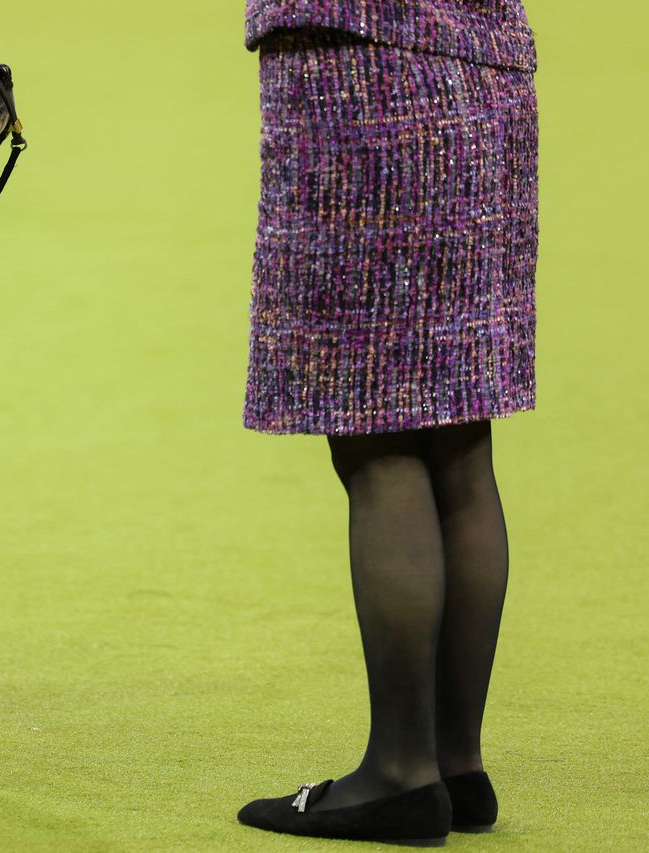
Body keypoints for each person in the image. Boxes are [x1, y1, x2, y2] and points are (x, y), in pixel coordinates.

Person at [234, 1, 539, 845]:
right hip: (489, 73)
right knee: (459, 435)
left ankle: (400, 774)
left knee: (379, 440)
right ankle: (452, 764)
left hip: (359, 72)